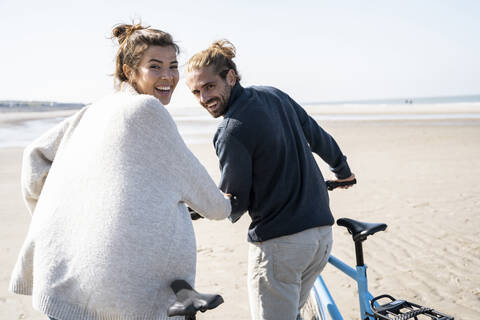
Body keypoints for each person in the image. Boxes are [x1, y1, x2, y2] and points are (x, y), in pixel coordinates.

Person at [9, 24, 231, 320]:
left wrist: (60, 219)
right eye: (155, 66)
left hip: (60, 278)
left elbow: (33, 157)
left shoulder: (94, 110)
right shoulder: (148, 111)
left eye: (173, 66)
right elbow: (212, 204)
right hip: (113, 296)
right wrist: (225, 201)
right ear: (130, 71)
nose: (168, 76)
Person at [185, 40, 356, 320]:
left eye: (209, 87)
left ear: (230, 77)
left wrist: (194, 208)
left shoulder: (230, 131)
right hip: (322, 237)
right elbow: (317, 135)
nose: (204, 98)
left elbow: (235, 203)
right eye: (196, 92)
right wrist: (343, 170)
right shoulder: (275, 95)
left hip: (281, 246)